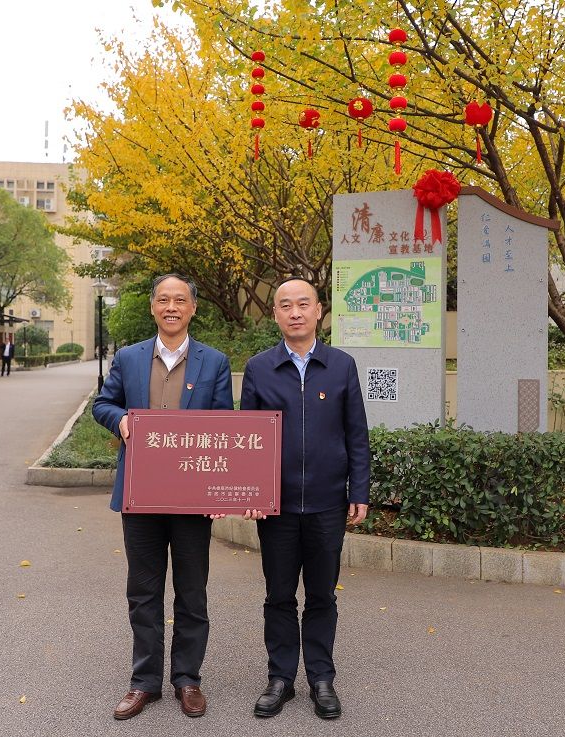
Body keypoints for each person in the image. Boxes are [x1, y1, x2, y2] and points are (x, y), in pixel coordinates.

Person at [92, 274, 233, 721]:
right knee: (143, 591)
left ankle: (187, 679)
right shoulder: (129, 357)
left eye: (180, 300)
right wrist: (120, 421)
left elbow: (225, 423)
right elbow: (102, 403)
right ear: (153, 307)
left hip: (193, 497)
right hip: (141, 494)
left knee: (192, 592)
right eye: (164, 300)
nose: (172, 307)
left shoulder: (215, 362)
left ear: (193, 308)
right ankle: (145, 682)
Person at [240, 277, 370, 720]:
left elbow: (356, 434)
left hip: (327, 503)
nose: (294, 312)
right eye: (285, 305)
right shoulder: (259, 368)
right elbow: (247, 439)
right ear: (275, 314)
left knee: (321, 596)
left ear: (318, 311)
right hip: (275, 507)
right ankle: (280, 678)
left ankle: (321, 679)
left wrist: (359, 490)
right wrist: (252, 491)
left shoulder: (341, 366)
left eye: (303, 304)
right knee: (278, 595)